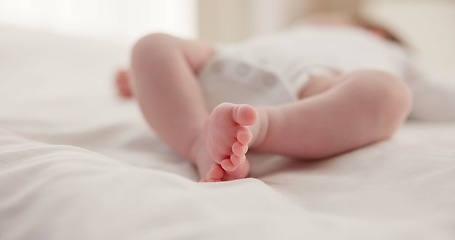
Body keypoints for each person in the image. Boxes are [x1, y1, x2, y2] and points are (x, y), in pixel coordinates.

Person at [114, 12, 419, 182]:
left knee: (391, 93)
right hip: (219, 65)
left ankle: (262, 127)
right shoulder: (287, 35)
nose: (311, 20)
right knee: (151, 45)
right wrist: (145, 79)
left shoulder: (397, 53)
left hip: (308, 93)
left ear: (376, 30)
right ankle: (198, 142)